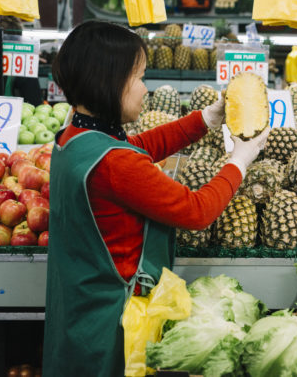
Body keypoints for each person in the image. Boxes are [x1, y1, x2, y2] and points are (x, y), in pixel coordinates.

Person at [42, 21, 269, 377]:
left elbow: (135, 148)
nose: (145, 90)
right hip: (113, 324)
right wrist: (238, 163)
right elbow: (196, 211)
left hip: (79, 309)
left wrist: (204, 120)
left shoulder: (71, 139)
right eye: (139, 77)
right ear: (110, 80)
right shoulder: (117, 164)